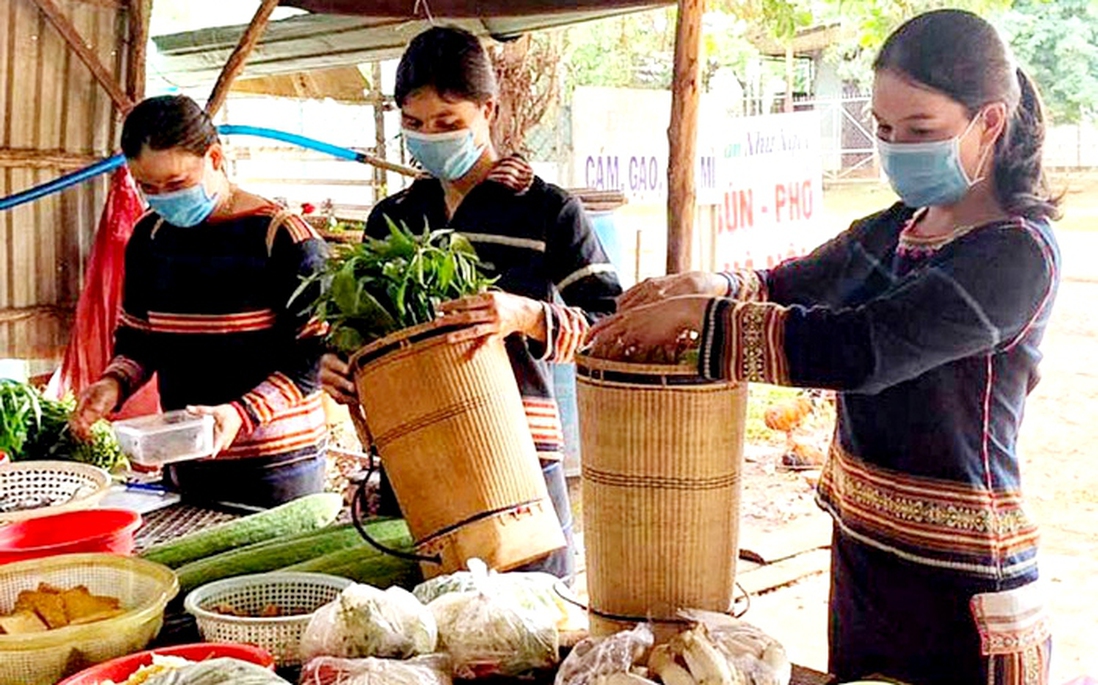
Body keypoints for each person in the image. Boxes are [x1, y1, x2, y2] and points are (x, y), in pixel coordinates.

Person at [589, 10, 1058, 685]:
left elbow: (864, 350)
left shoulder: (1018, 253)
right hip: (866, 559)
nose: (897, 147)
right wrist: (713, 282)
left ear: (989, 122)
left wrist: (707, 322)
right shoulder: (902, 225)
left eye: (920, 131)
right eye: (886, 129)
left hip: (964, 586)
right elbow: (798, 280)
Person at [320, 26, 622, 580]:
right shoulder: (394, 217)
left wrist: (524, 315)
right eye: (414, 125)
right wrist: (341, 364)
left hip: (520, 457)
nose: (429, 136)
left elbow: (614, 326)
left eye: (447, 123)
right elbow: (360, 332)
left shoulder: (548, 210)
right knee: (425, 633)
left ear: (489, 109)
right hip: (414, 459)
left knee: (530, 625)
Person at [71, 95, 330, 509]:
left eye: (176, 184)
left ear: (214, 157)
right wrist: (112, 383)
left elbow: (313, 357)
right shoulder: (149, 238)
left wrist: (240, 414)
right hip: (186, 460)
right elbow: (139, 340)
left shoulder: (281, 235)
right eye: (147, 187)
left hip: (276, 467)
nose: (162, 198)